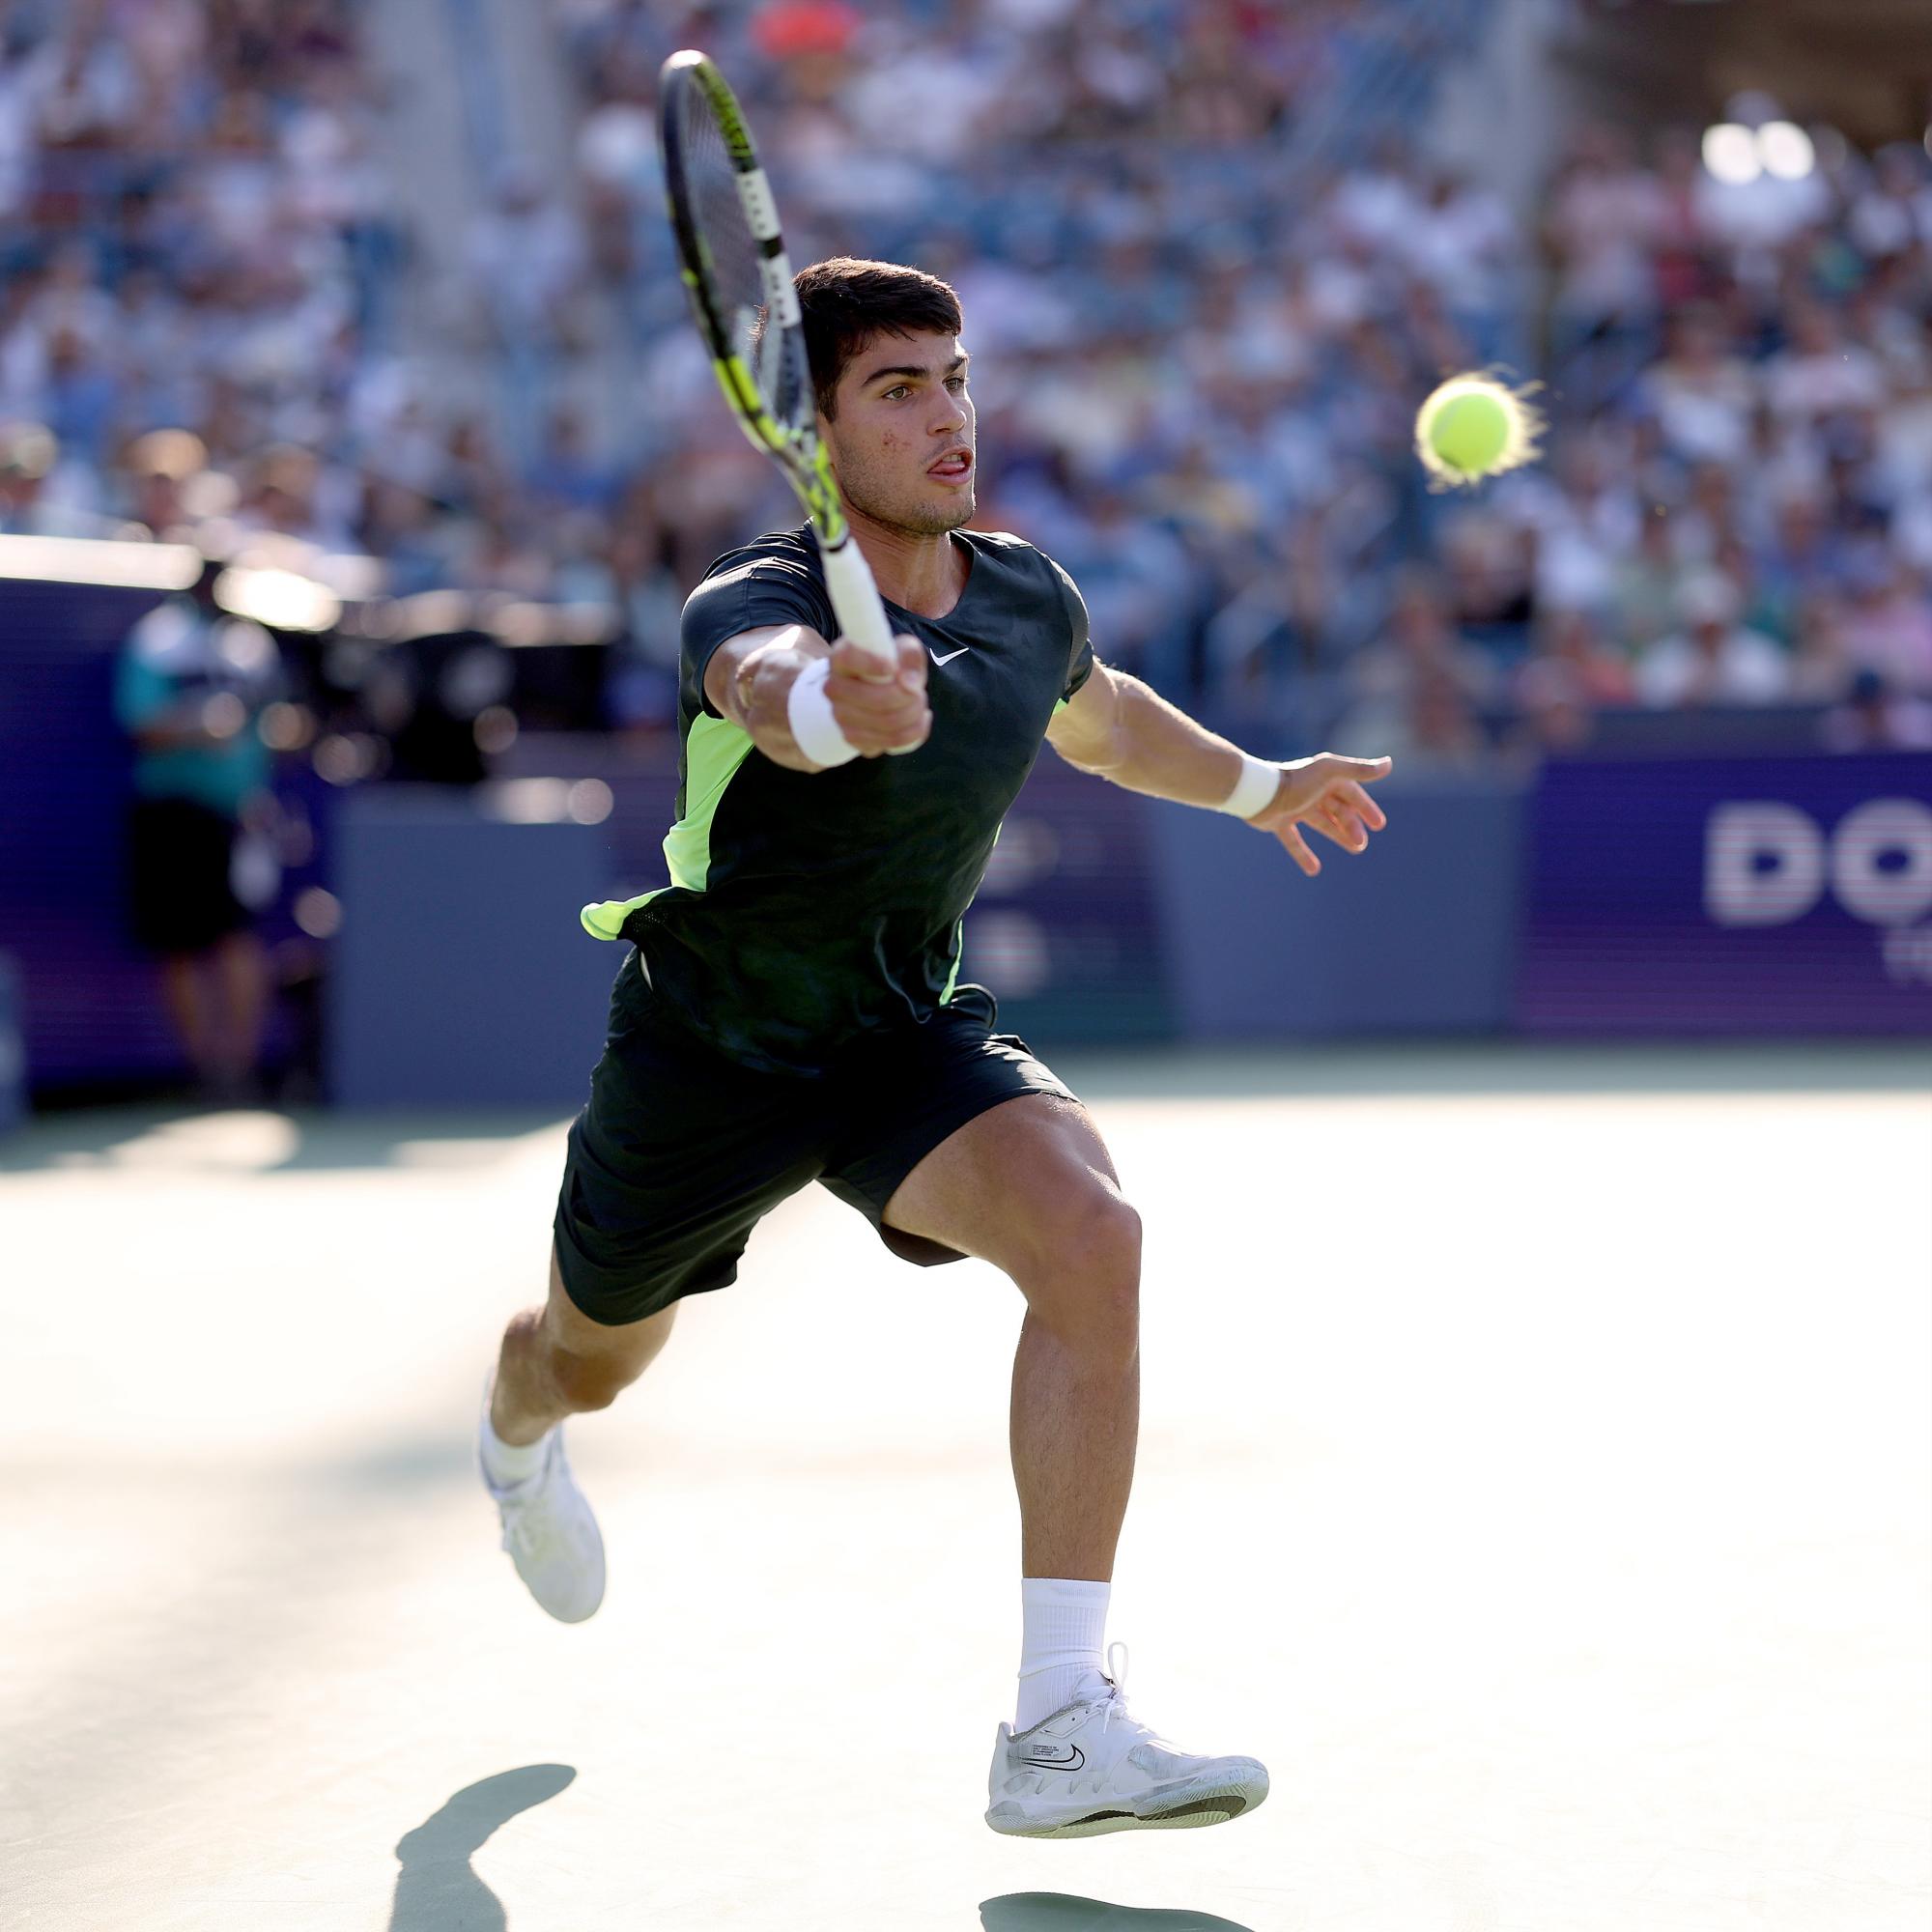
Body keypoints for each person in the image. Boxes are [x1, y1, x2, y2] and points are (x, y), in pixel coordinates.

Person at [475, 259, 1392, 1840]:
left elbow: (1096, 715)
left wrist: (1262, 783)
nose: (948, 414)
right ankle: (516, 1434)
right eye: (898, 389)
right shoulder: (747, 600)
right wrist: (839, 710)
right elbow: (766, 698)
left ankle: (1057, 1724)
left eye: (955, 378)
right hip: (714, 1047)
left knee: (1093, 1239)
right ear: (813, 433)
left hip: (899, 1030)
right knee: (591, 1356)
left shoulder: (1025, 590)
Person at [113, 552, 282, 1103]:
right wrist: (196, 725)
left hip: (233, 813)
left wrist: (257, 792)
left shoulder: (250, 644)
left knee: (237, 937)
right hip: (173, 811)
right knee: (180, 943)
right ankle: (202, 1066)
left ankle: (240, 1065)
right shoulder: (158, 640)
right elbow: (140, 722)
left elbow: (270, 727)